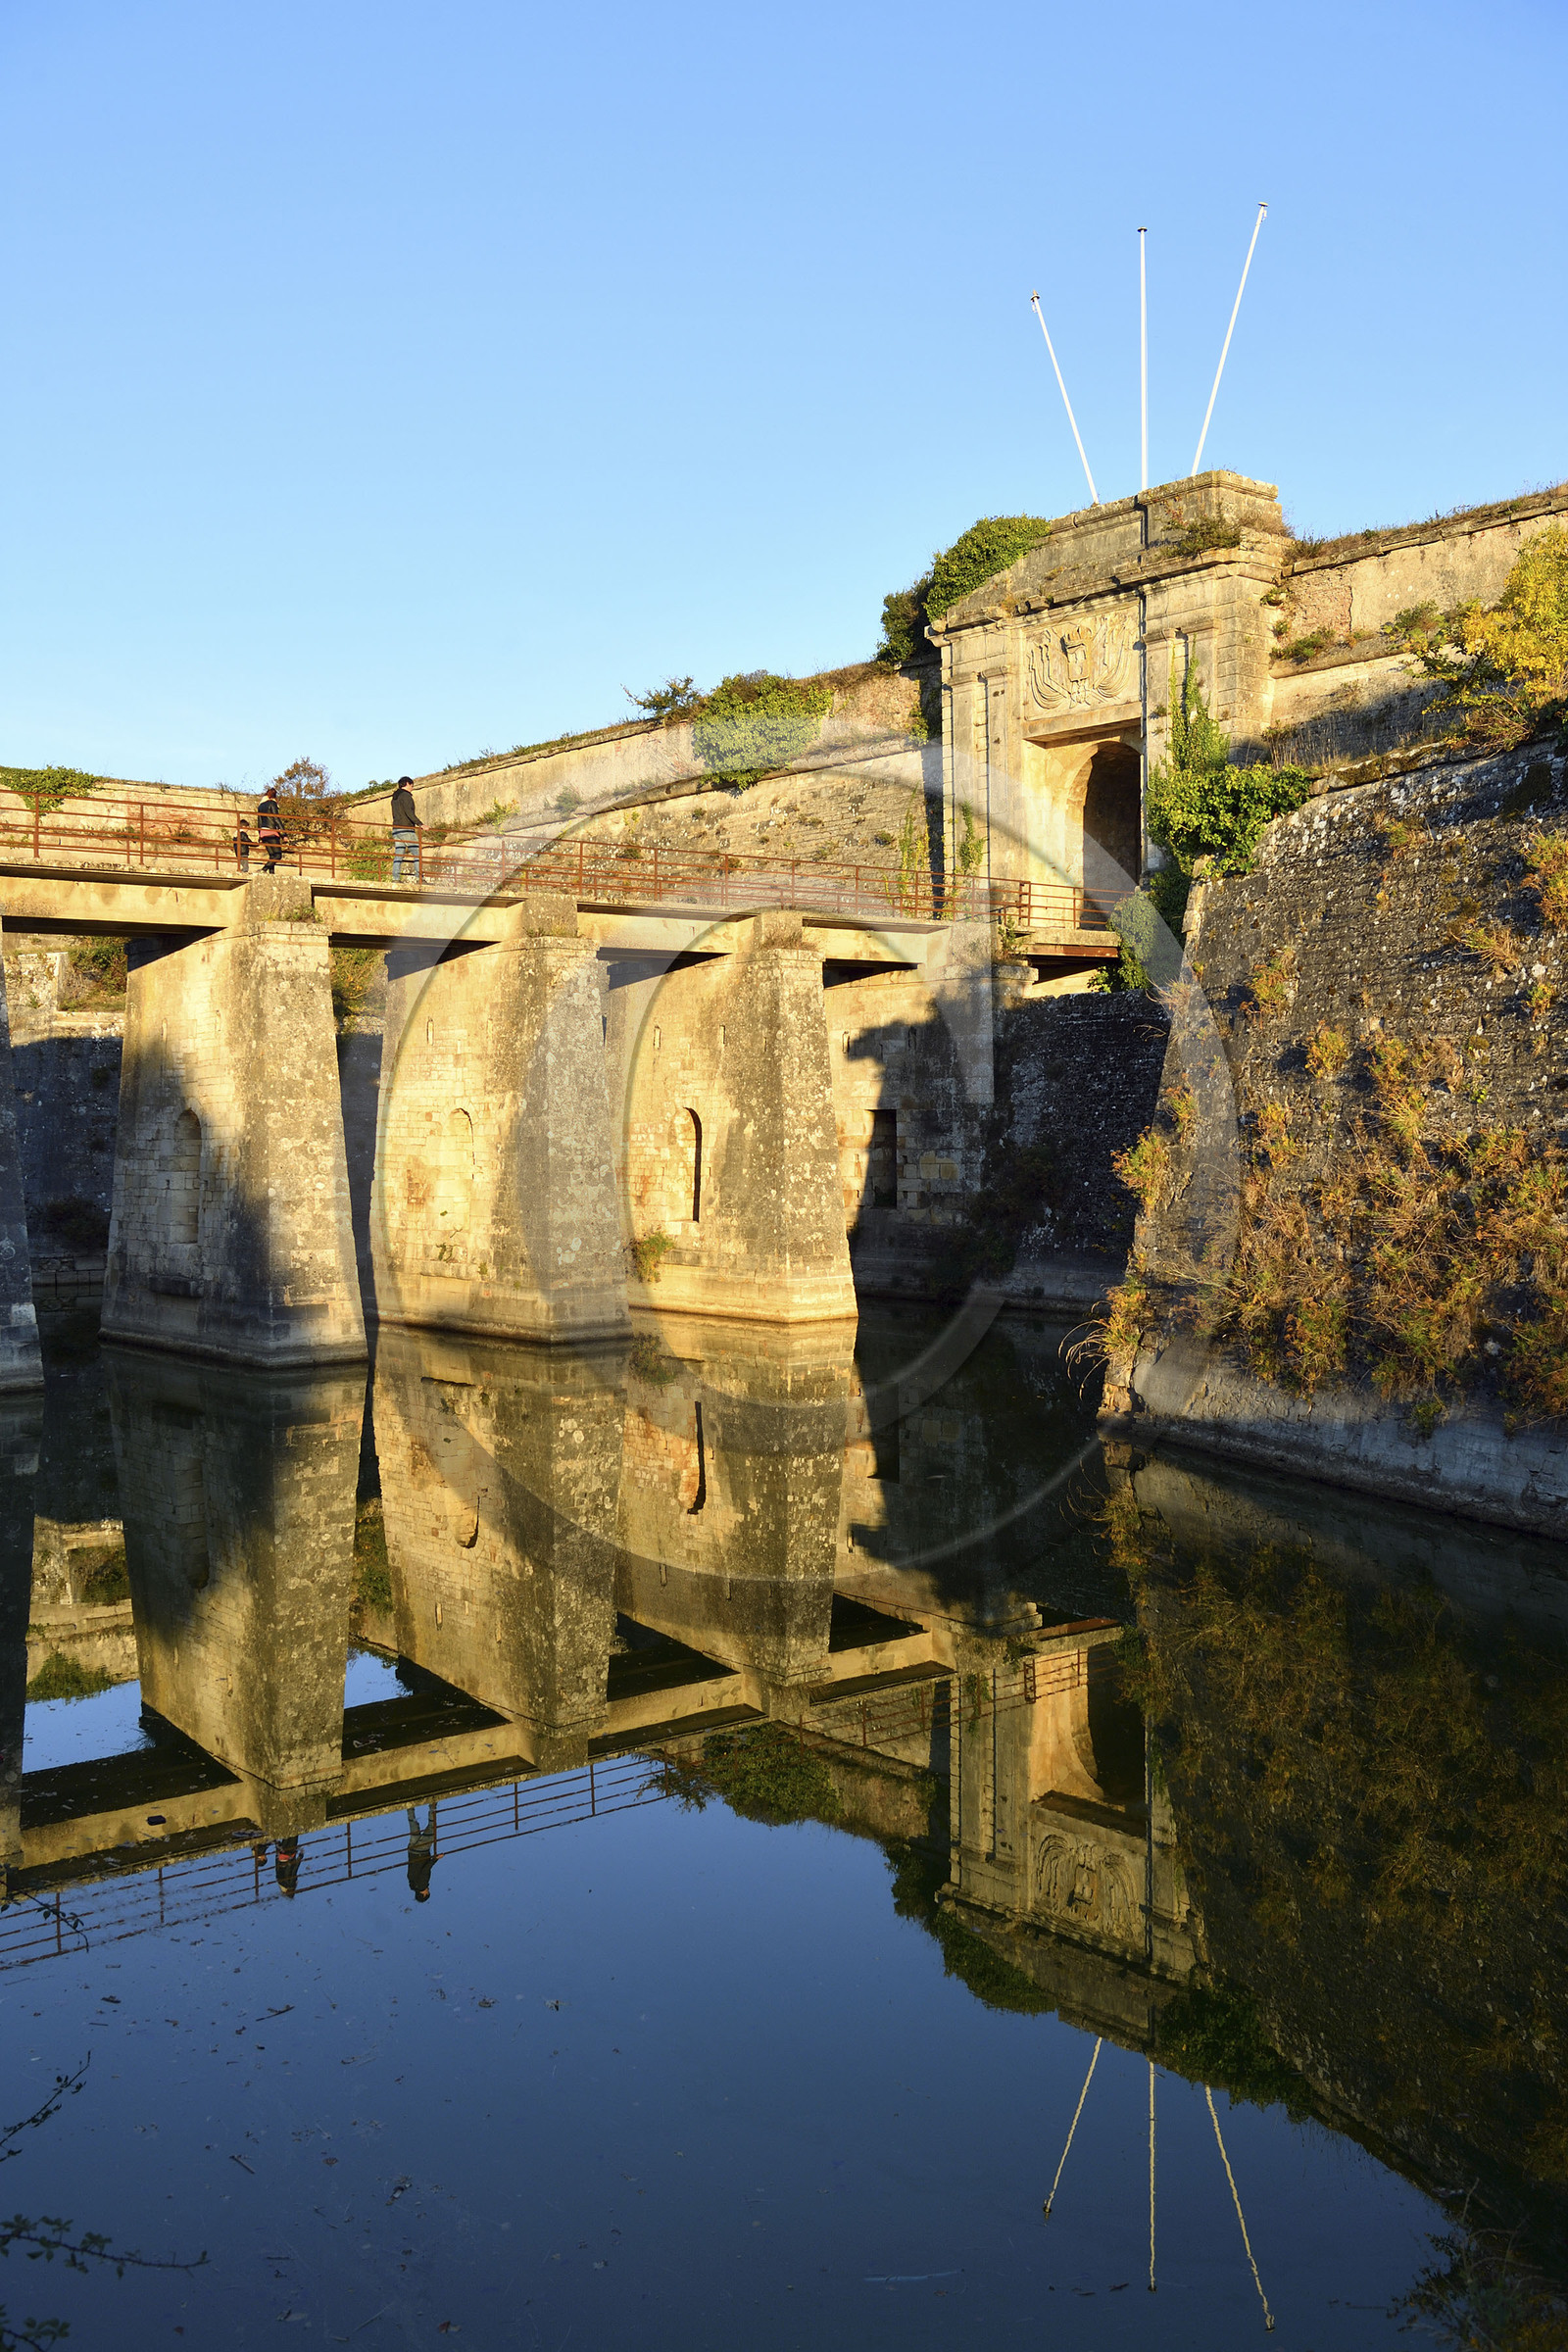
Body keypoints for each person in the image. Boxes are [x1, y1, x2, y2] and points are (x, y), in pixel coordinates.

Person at [390, 776, 422, 884]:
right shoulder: (406, 796)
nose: (412, 787)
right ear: (407, 784)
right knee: (417, 853)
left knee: (399, 854)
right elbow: (409, 812)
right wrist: (420, 824)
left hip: (396, 829)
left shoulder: (395, 797)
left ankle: (395, 878)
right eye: (411, 785)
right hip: (406, 829)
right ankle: (419, 878)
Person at [406, 1805, 438, 1902]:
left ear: (424, 1894)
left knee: (432, 1828)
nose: (428, 1890)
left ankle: (432, 1806)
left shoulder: (422, 1884)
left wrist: (435, 1859)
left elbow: (425, 1870)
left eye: (427, 1893)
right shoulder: (411, 1881)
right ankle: (409, 1805)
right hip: (412, 1851)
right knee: (413, 1824)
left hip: (422, 1851)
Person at [256, 790, 284, 873]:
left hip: (263, 832)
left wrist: (260, 834)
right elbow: (276, 818)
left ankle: (271, 873)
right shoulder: (272, 803)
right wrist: (284, 834)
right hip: (271, 831)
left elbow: (259, 821)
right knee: (278, 855)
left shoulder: (260, 806)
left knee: (272, 855)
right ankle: (264, 869)